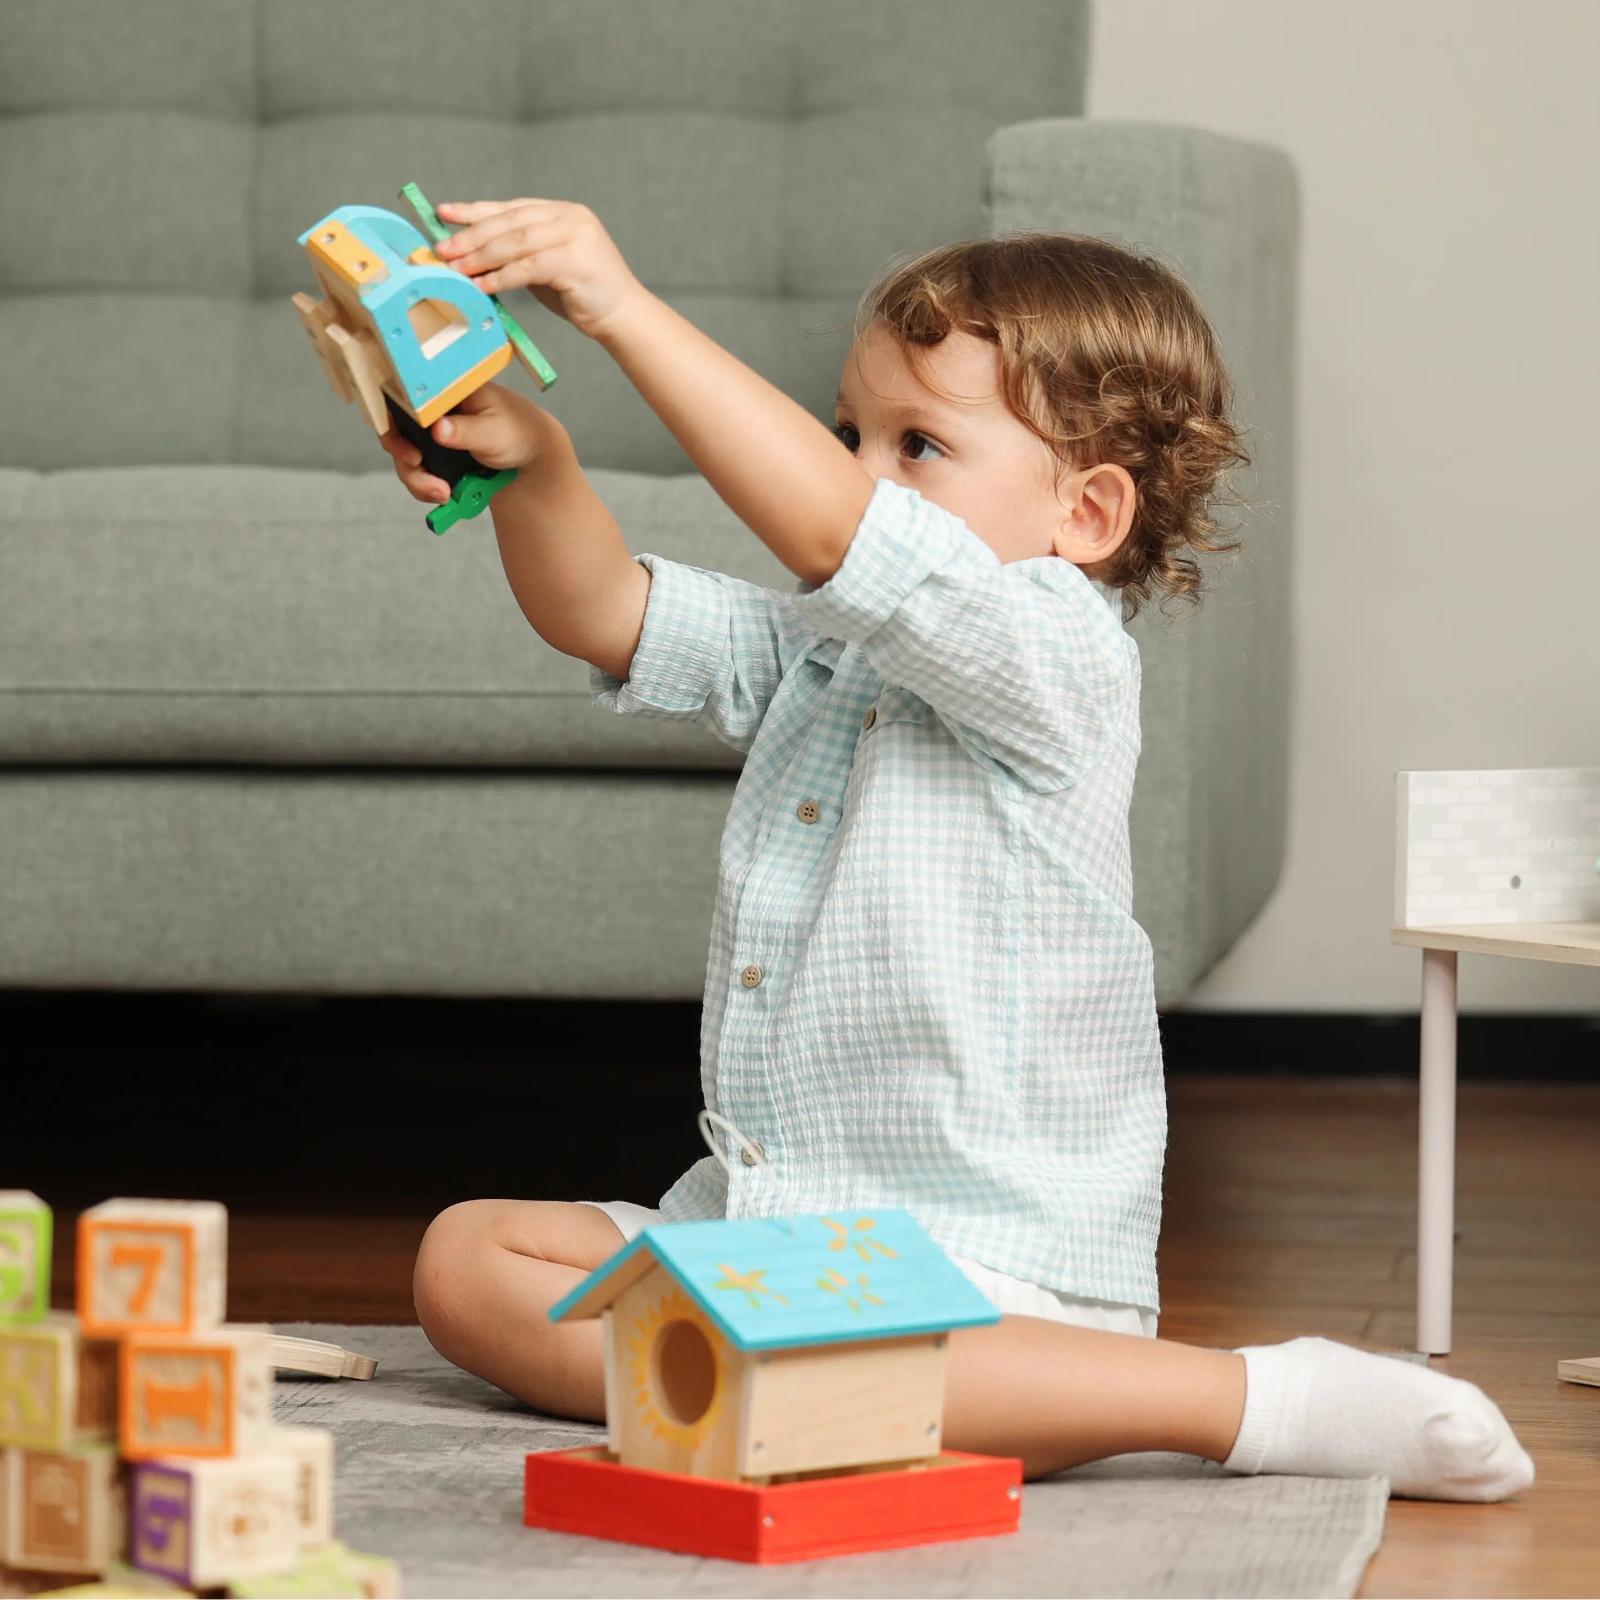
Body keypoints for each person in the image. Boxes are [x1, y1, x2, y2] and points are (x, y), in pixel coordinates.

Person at [395, 201, 1531, 1499]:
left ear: (1087, 514)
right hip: (774, 1236)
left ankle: (1246, 1398)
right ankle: (780, 1381)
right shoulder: (830, 653)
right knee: (461, 1262)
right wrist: (535, 465)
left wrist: (620, 310)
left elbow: (844, 538)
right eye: (850, 436)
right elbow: (604, 612)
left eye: (917, 444)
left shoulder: (1060, 652)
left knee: (863, 1345)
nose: (861, 472)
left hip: (985, 1257)